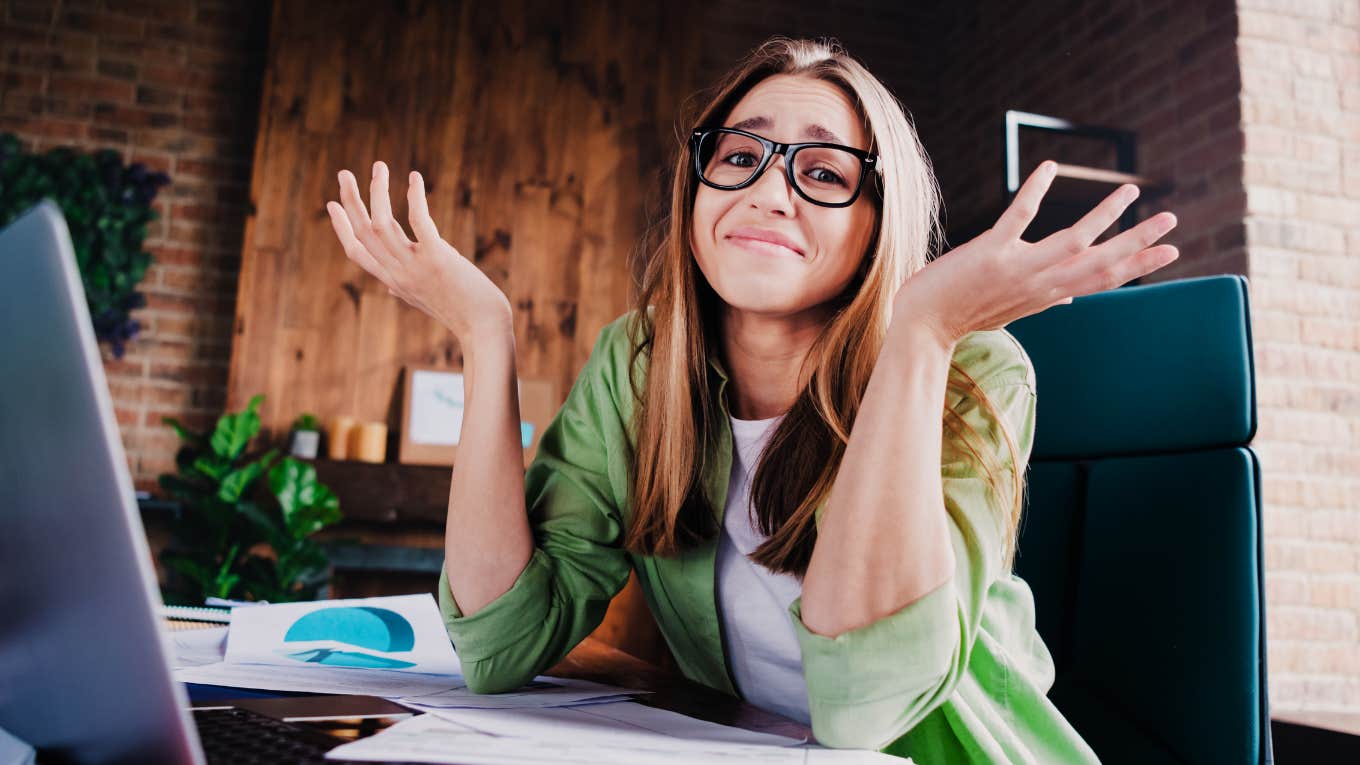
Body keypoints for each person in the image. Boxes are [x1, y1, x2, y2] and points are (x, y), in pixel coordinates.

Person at [326, 36, 1177, 763]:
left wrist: (920, 333)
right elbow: (499, 646)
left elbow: (863, 709)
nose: (768, 192)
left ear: (882, 220)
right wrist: (484, 332)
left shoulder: (969, 366)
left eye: (823, 170)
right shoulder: (637, 362)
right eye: (740, 156)